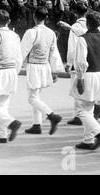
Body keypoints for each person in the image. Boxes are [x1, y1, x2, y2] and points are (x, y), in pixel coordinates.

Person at [21, 7, 64, 136]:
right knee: (36, 96)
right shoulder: (51, 33)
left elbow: (22, 51)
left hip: (34, 66)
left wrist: (16, 66)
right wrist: (55, 70)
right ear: (46, 18)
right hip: (45, 66)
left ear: (34, 16)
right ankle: (36, 124)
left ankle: (51, 115)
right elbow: (54, 52)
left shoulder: (31, 32)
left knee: (32, 98)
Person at [71, 12, 100, 150]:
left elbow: (81, 62)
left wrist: (80, 79)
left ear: (87, 23)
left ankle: (99, 132)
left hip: (88, 75)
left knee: (81, 111)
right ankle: (88, 140)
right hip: (99, 74)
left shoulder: (83, 39)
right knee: (89, 109)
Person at [0, 10, 22, 144]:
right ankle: (1, 135)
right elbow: (19, 57)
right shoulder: (15, 35)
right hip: (12, 70)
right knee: (3, 104)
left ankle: (11, 122)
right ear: (9, 21)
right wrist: (15, 72)